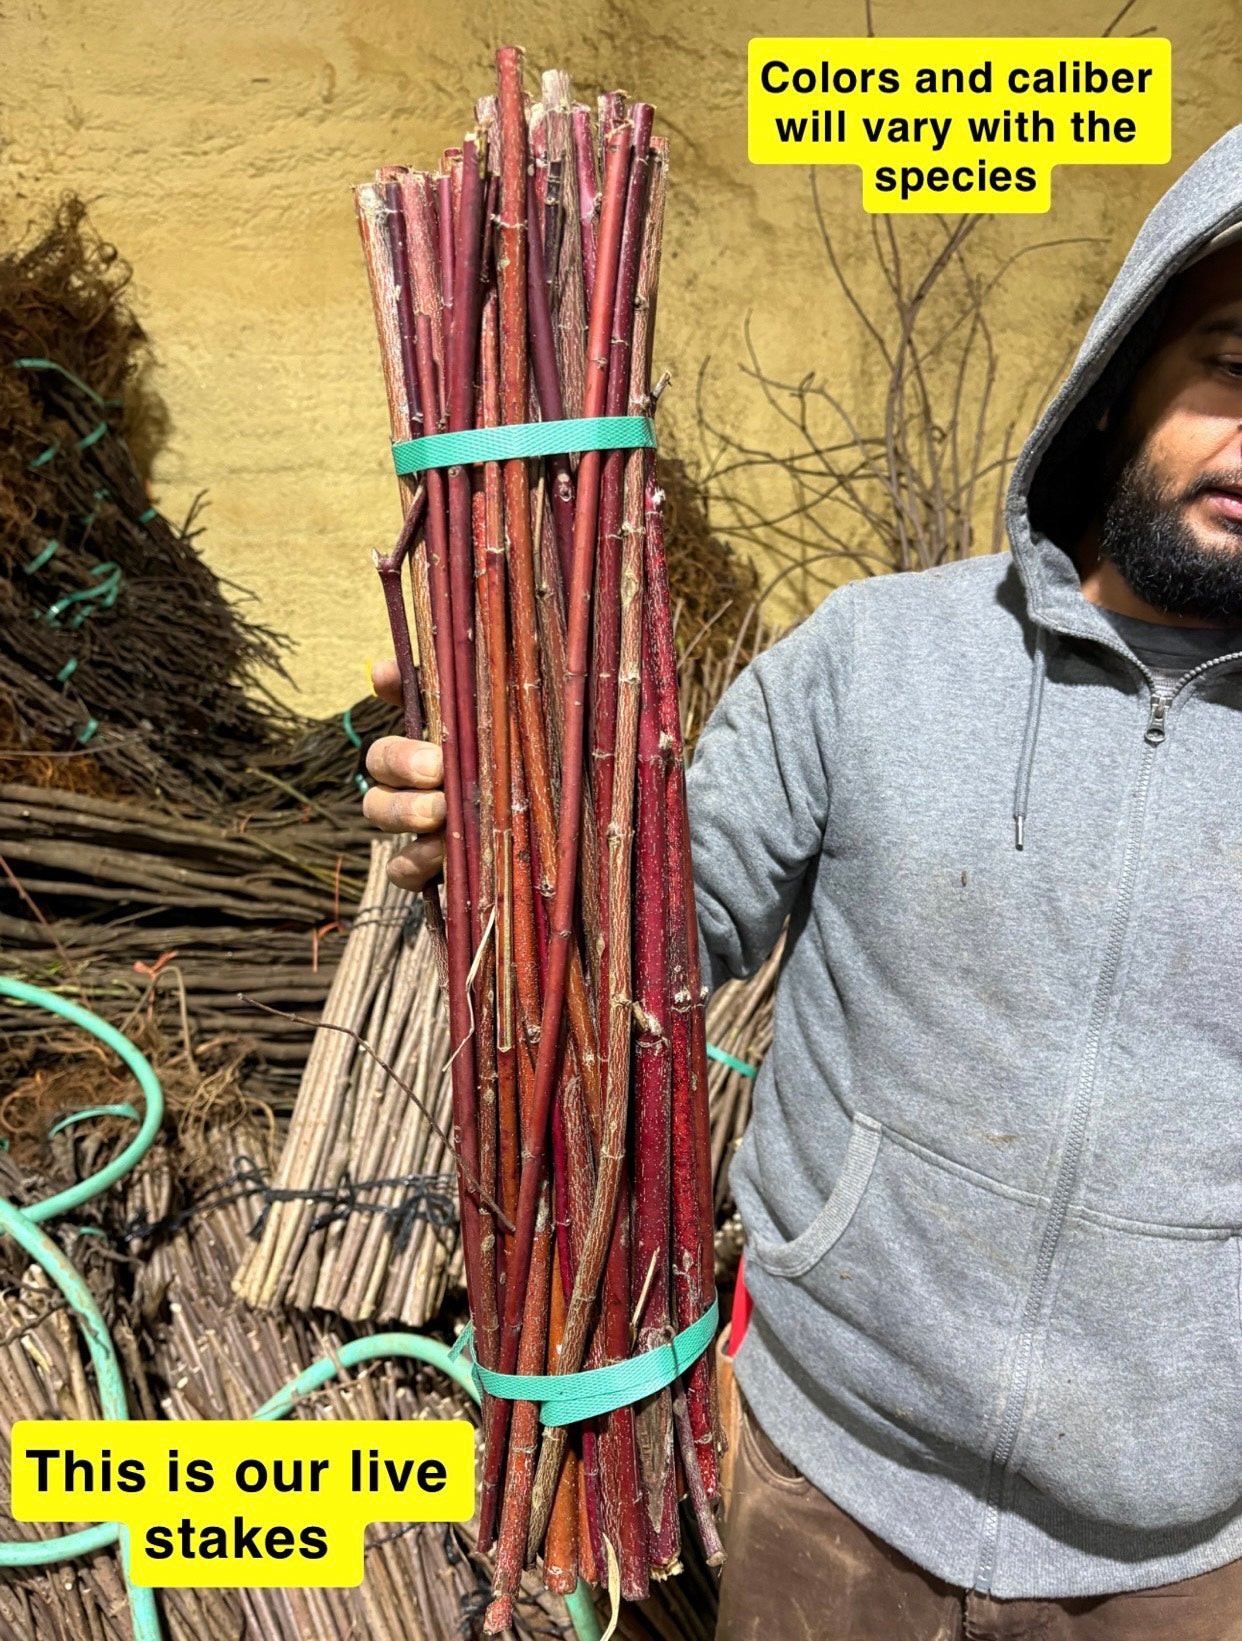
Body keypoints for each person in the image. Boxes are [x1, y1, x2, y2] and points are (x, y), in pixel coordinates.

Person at [362, 124, 1242, 1639]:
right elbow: (645, 942)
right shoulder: (878, 657)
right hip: (829, 1487)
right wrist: (493, 837)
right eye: (1231, 365)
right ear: (1121, 370)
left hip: (1181, 1557)